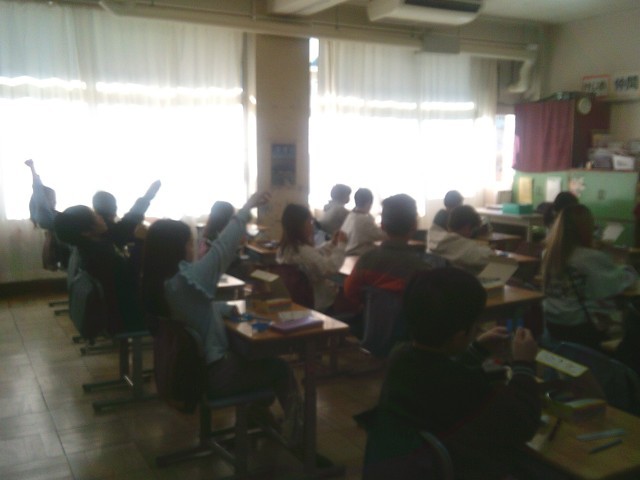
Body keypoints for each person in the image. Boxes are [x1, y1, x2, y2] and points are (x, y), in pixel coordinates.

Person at [141, 192, 302, 444]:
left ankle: (256, 415)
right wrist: (247, 207)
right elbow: (222, 249)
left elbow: (193, 309)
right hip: (210, 375)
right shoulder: (185, 281)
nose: (193, 248)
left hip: (188, 370)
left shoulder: (161, 281)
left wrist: (225, 309)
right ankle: (299, 437)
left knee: (256, 358)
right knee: (280, 368)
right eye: (189, 243)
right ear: (175, 248)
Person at [364, 267, 540, 480]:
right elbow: (521, 423)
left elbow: (440, 376)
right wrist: (524, 365)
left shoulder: (400, 356)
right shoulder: (463, 385)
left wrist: (476, 350)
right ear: (459, 336)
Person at [542, 204, 638, 354]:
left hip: (553, 323)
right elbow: (623, 281)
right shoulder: (590, 257)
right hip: (580, 328)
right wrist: (619, 262)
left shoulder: (548, 253)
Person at [54, 205, 144, 336]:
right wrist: (140, 245)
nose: (101, 216)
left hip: (115, 313)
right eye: (95, 216)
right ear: (86, 232)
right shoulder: (101, 256)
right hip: (125, 318)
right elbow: (132, 278)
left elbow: (121, 229)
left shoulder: (89, 247)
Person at [344, 193, 430, 309]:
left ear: (382, 226)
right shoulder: (422, 270)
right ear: (414, 226)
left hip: (372, 319)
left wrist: (365, 307)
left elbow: (349, 291)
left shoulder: (366, 260)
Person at [277, 203, 347, 313]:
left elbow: (314, 255)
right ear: (300, 225)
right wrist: (341, 245)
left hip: (299, 300)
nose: (312, 226)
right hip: (318, 302)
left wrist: (332, 244)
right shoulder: (303, 251)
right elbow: (330, 268)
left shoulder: (285, 249)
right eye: (309, 222)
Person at [25, 159, 71, 270]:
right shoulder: (44, 213)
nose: (55, 201)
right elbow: (38, 189)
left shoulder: (44, 215)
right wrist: (32, 167)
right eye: (52, 198)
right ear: (45, 199)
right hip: (62, 245)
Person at [92, 179, 161, 250]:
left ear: (95, 209)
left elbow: (130, 218)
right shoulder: (115, 232)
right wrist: (147, 196)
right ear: (115, 208)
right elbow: (131, 217)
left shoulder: (91, 232)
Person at [427, 204, 494, 274]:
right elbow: (492, 258)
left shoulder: (433, 238)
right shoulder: (466, 247)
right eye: (473, 229)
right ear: (467, 228)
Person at [340, 188, 386, 256]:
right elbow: (383, 235)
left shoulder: (351, 215)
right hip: (358, 254)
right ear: (369, 203)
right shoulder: (364, 220)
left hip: (347, 252)